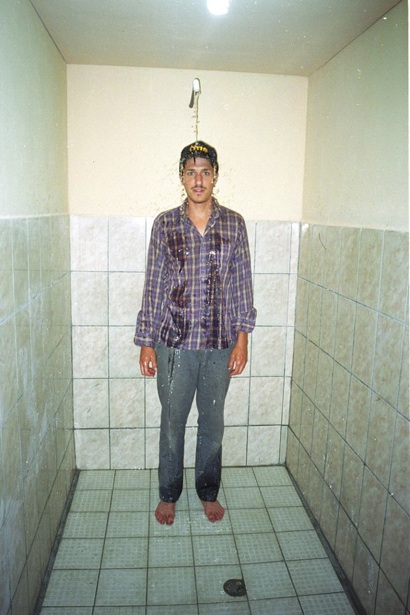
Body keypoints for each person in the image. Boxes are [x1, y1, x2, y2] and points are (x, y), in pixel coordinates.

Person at [134, 140, 256, 525]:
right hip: (174, 345)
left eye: (205, 172)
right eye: (191, 172)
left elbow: (242, 285)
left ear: (215, 176)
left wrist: (242, 340)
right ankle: (169, 493)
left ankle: (208, 491)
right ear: (182, 177)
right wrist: (146, 344)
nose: (198, 180)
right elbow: (154, 286)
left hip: (220, 344)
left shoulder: (234, 224)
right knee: (172, 421)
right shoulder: (165, 224)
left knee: (212, 421)